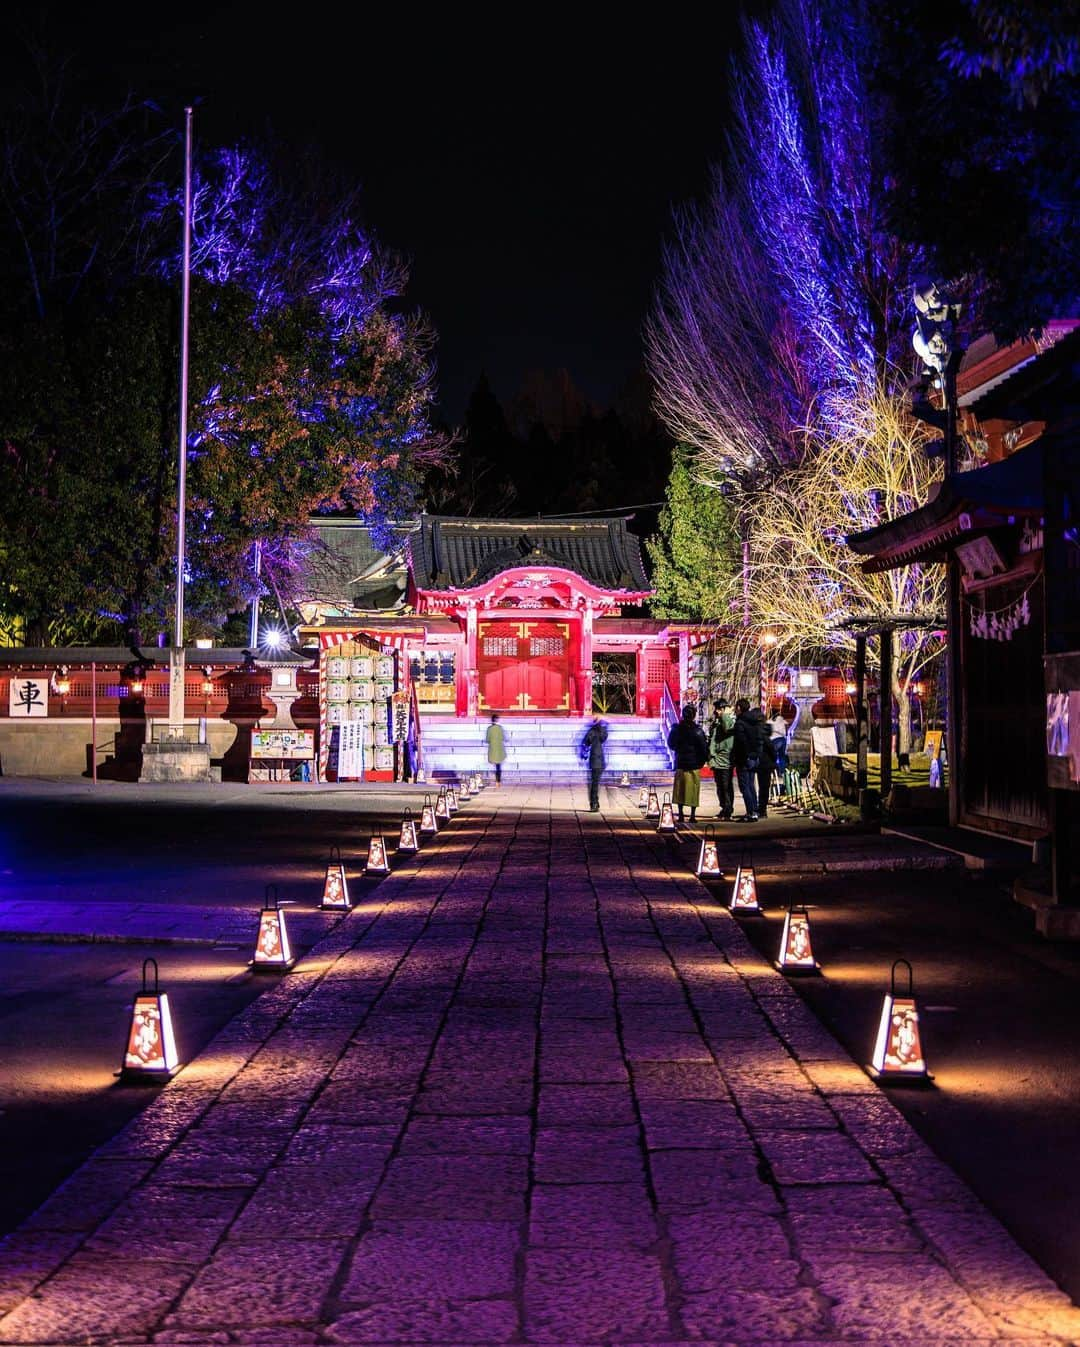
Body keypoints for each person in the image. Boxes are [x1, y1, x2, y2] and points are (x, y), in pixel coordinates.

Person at [667, 704, 709, 825]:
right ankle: (692, 815)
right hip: (694, 764)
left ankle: (680, 814)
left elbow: (671, 744)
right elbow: (703, 748)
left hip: (681, 762)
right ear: (694, 716)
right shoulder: (698, 731)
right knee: (693, 790)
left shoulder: (676, 729)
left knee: (680, 789)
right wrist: (703, 760)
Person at [732, 697, 769, 821]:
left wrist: (739, 756)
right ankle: (755, 810)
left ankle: (751, 812)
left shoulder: (740, 723)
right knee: (751, 785)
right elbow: (759, 739)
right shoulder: (755, 722)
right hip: (754, 757)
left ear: (739, 708)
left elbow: (740, 743)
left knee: (744, 786)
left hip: (744, 758)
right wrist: (756, 754)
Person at [708, 698, 736, 819]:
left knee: (726, 786)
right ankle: (724, 807)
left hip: (725, 758)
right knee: (720, 786)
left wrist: (725, 714)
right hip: (717, 758)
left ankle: (728, 809)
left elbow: (727, 728)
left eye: (719, 709)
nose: (716, 712)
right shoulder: (717, 722)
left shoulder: (728, 720)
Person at [581, 715, 608, 811]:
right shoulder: (598, 731)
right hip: (597, 760)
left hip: (596, 760)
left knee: (594, 783)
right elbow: (603, 737)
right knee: (595, 784)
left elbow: (587, 741)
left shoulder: (593, 731)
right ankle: (594, 804)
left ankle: (595, 802)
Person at [767, 709, 789, 791]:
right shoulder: (782, 719)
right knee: (782, 757)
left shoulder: (769, 721)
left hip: (774, 740)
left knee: (773, 756)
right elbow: (787, 725)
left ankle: (773, 771)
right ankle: (781, 772)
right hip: (782, 739)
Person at [485, 712, 506, 785]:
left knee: (496, 765)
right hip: (499, 749)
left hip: (493, 749)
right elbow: (503, 738)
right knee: (498, 765)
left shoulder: (489, 729)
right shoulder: (500, 728)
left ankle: (497, 780)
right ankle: (498, 780)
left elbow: (487, 739)